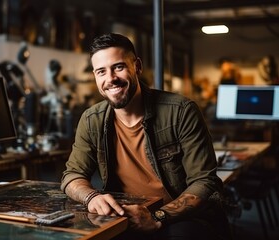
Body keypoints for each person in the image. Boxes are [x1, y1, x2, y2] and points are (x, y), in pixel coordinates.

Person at [61, 33, 232, 240]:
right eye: (101, 72)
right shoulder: (91, 120)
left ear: (138, 67)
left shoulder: (181, 111)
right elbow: (71, 176)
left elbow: (205, 181)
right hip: (125, 216)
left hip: (181, 218)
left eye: (118, 67)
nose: (110, 79)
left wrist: (158, 217)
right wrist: (91, 197)